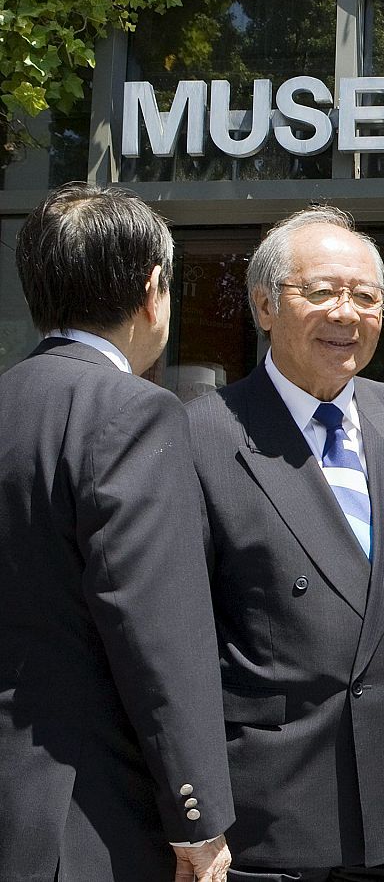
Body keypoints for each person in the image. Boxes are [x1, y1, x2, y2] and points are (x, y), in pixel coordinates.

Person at [185, 206, 384, 880]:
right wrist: (192, 802)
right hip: (271, 806)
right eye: (322, 291)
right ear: (264, 305)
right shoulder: (202, 432)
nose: (348, 312)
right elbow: (181, 637)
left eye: (367, 296)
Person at [0, 183, 234, 882]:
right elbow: (159, 631)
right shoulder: (134, 412)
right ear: (152, 288)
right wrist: (197, 816)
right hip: (85, 818)